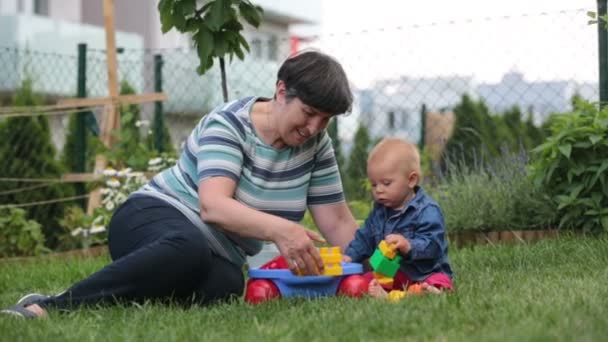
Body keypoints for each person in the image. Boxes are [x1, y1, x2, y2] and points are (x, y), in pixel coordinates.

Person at [2, 50, 358, 319]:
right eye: (309, 113)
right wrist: (281, 230)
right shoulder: (230, 125)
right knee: (187, 246)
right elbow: (213, 207)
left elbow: (338, 222)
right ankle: (49, 307)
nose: (314, 127)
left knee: (226, 286)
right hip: (152, 218)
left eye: (324, 120)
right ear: (281, 91)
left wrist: (378, 272)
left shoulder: (315, 145)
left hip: (214, 251)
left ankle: (121, 292)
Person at [342, 138, 453, 299]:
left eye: (386, 183)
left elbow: (433, 246)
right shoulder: (379, 211)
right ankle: (396, 293)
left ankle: (421, 292)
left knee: (438, 281)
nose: (378, 190)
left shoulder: (427, 210)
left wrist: (409, 246)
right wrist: (350, 256)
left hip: (423, 273)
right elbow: (364, 238)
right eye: (374, 184)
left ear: (411, 180)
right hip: (391, 274)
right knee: (364, 281)